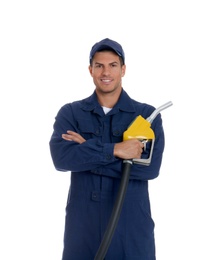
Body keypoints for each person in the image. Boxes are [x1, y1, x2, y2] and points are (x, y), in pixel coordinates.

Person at [49, 38, 165, 260]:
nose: (106, 72)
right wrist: (115, 150)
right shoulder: (71, 113)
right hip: (83, 229)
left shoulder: (146, 117)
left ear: (123, 70)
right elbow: (62, 159)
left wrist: (88, 150)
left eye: (112, 65)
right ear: (90, 70)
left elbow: (149, 170)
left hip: (131, 229)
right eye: (99, 65)